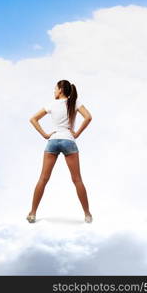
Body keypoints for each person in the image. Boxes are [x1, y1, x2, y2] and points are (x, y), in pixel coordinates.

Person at [27, 80, 93, 224]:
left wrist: (45, 135)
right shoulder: (74, 102)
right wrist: (76, 134)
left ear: (61, 90)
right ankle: (87, 214)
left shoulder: (51, 104)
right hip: (69, 141)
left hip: (53, 141)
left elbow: (33, 119)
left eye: (55, 89)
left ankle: (32, 213)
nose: (54, 91)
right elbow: (88, 117)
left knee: (43, 179)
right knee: (77, 180)